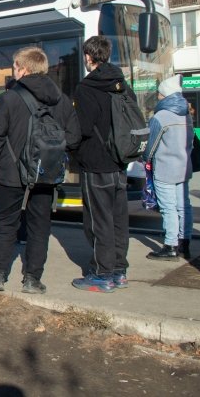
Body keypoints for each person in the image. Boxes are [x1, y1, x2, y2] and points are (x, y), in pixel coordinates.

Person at [0, 47, 80, 294]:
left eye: (15, 67)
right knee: (40, 226)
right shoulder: (61, 100)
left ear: (23, 69)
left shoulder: (9, 98)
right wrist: (54, 158)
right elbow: (75, 137)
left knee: (5, 224)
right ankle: (32, 280)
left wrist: (2, 162)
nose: (13, 72)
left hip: (12, 174)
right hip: (45, 173)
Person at [72, 35, 136, 292]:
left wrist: (71, 148)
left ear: (89, 56)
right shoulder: (121, 83)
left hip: (96, 162)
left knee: (98, 221)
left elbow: (83, 128)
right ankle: (119, 271)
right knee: (119, 219)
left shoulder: (86, 87)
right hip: (120, 161)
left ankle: (102, 273)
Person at [143, 75, 193, 261]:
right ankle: (184, 242)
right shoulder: (186, 114)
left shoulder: (161, 116)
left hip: (165, 168)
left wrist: (146, 159)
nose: (158, 97)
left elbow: (151, 145)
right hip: (184, 165)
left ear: (165, 95)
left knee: (168, 208)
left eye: (159, 94)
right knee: (183, 206)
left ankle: (170, 246)